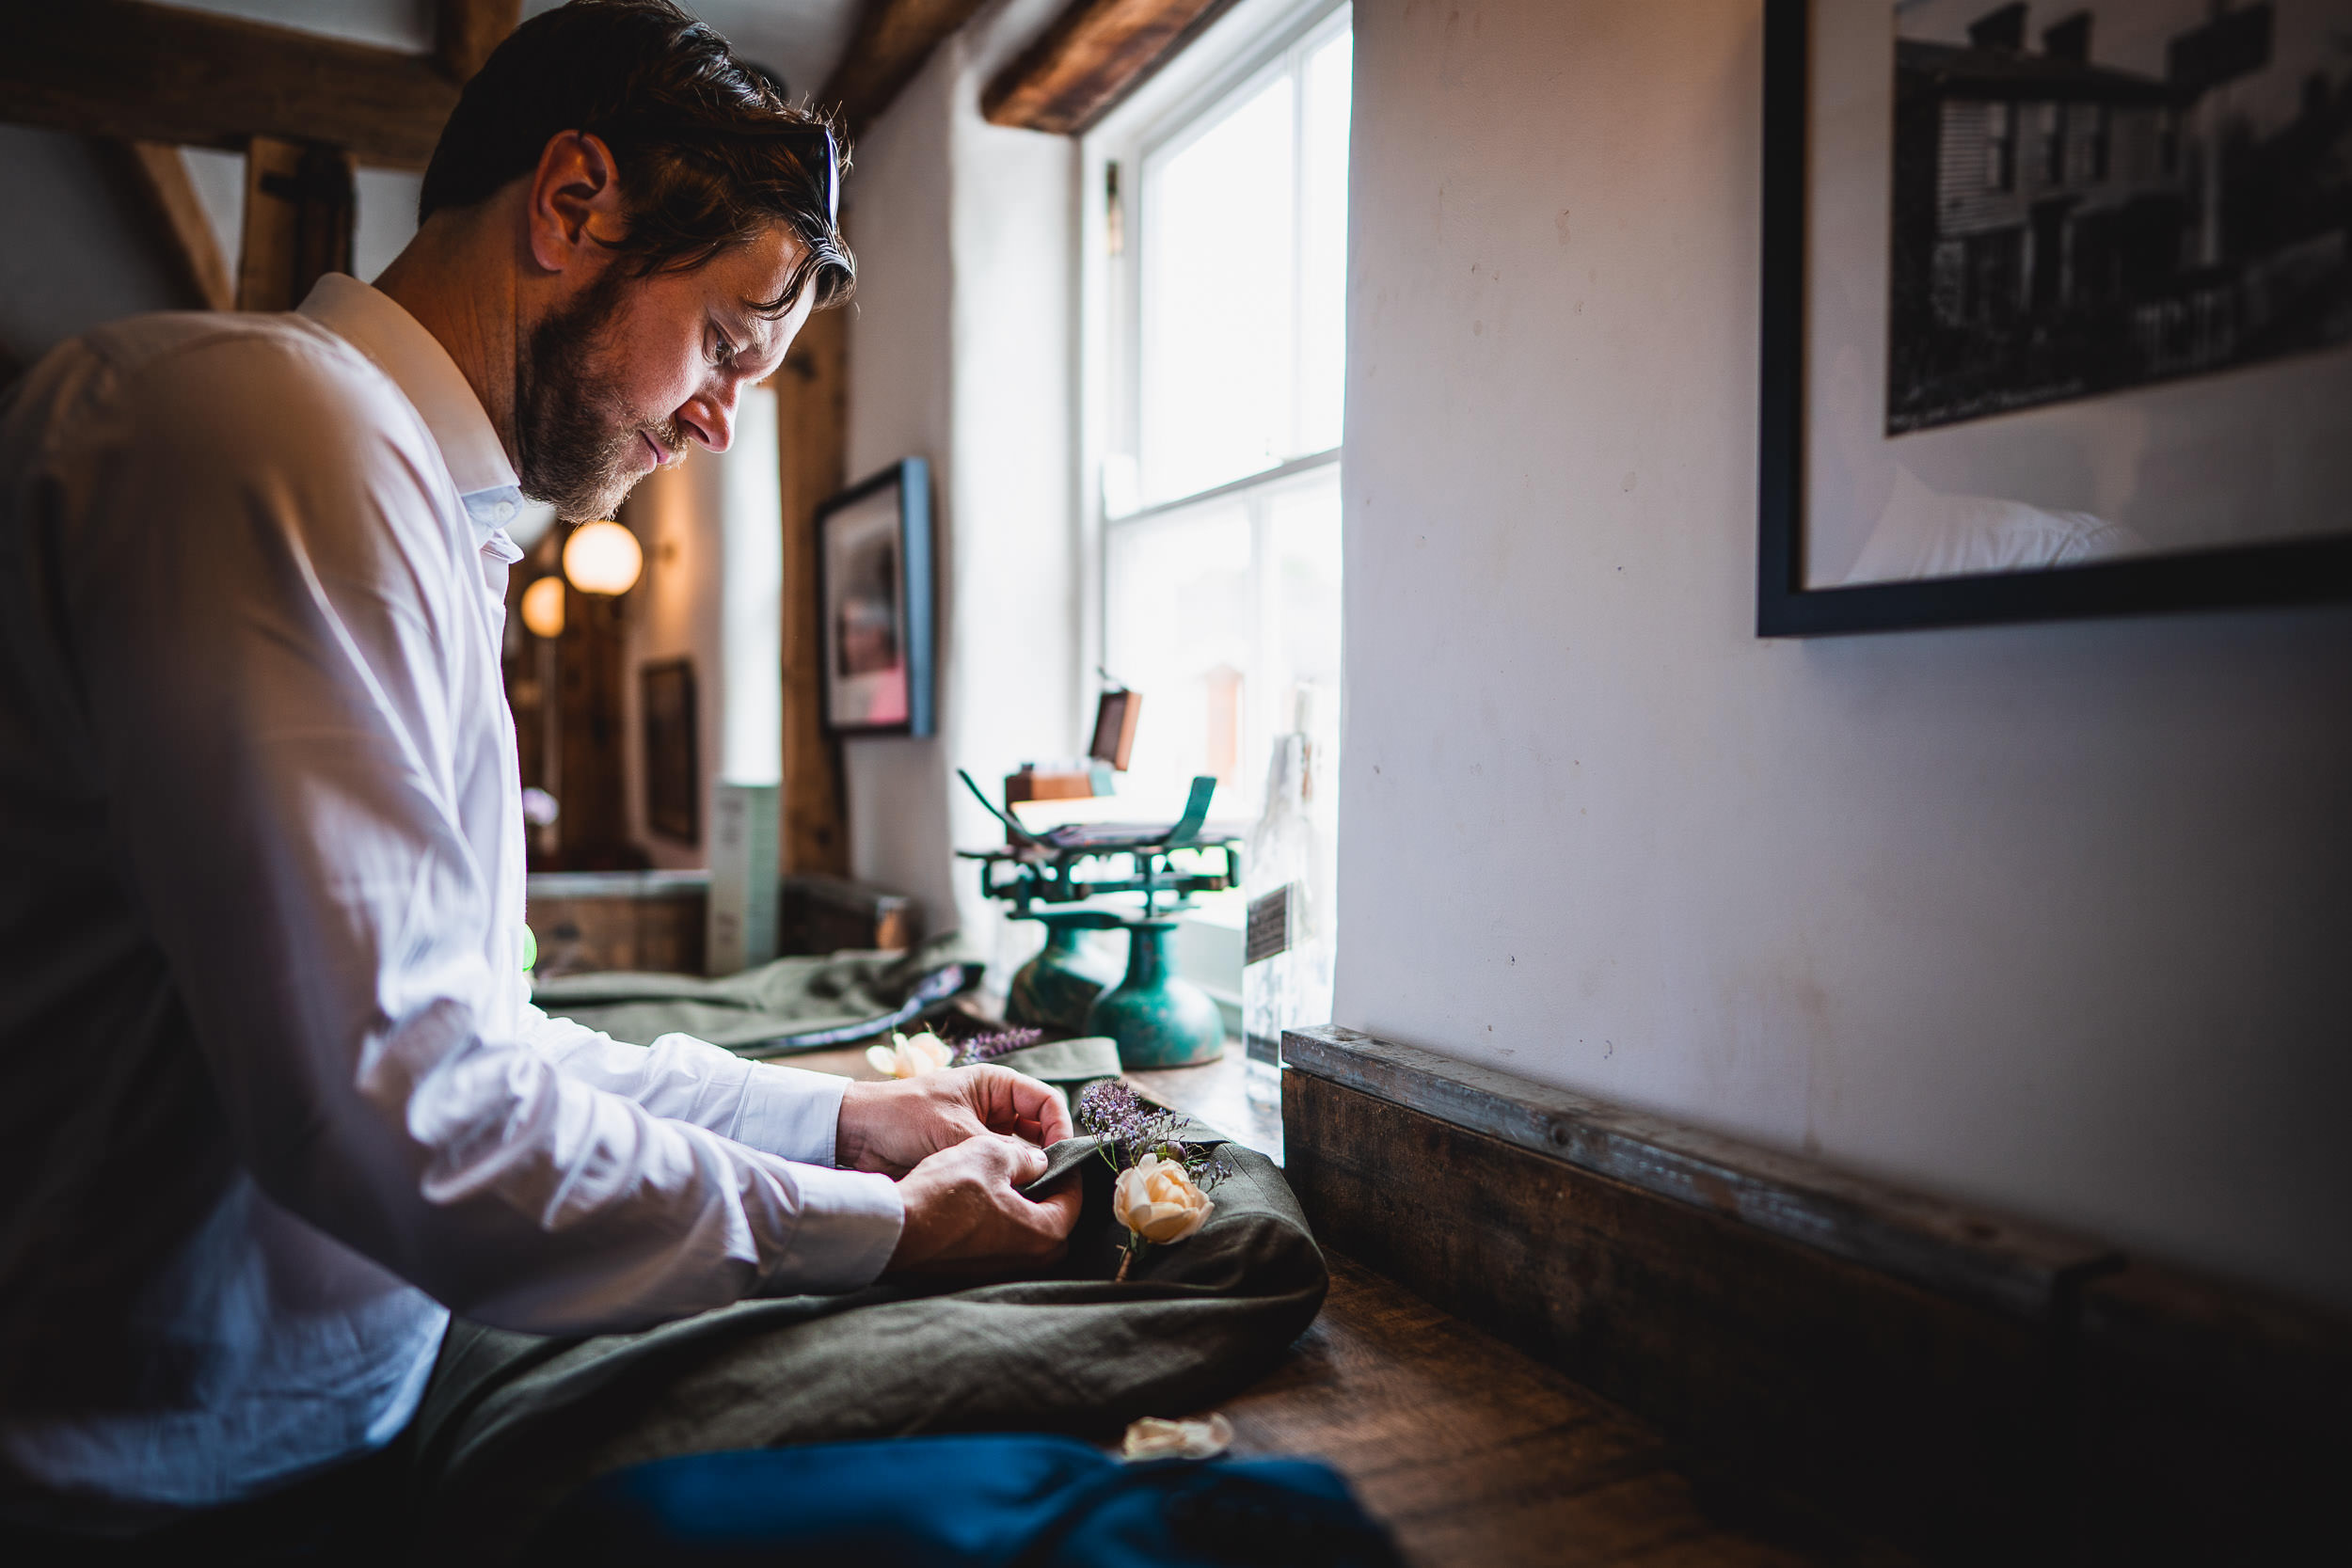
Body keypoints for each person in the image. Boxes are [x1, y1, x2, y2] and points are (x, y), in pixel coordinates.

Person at [0, 0, 1080, 1547]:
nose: (717, 419)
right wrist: (880, 1235)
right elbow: (411, 1109)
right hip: (154, 1493)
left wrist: (842, 1129)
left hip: (282, 1437)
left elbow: (482, 1041)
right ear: (575, 203)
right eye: (721, 338)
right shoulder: (267, 431)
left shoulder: (415, 510)